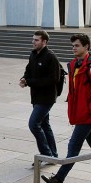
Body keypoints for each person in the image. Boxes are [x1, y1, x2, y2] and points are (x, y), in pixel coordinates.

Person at [41, 33, 91, 183]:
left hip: (88, 116)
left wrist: (89, 109)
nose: (73, 48)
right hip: (81, 114)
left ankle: (58, 179)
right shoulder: (75, 65)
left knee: (73, 147)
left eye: (77, 45)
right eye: (73, 45)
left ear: (86, 47)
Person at [20, 30, 60, 166]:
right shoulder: (33, 54)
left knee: (33, 124)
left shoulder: (50, 57)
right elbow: (29, 69)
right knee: (44, 125)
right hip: (36, 96)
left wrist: (30, 82)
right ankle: (53, 155)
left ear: (44, 42)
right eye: (33, 39)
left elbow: (53, 79)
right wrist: (24, 78)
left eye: (36, 40)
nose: (33, 42)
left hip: (47, 98)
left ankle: (46, 154)